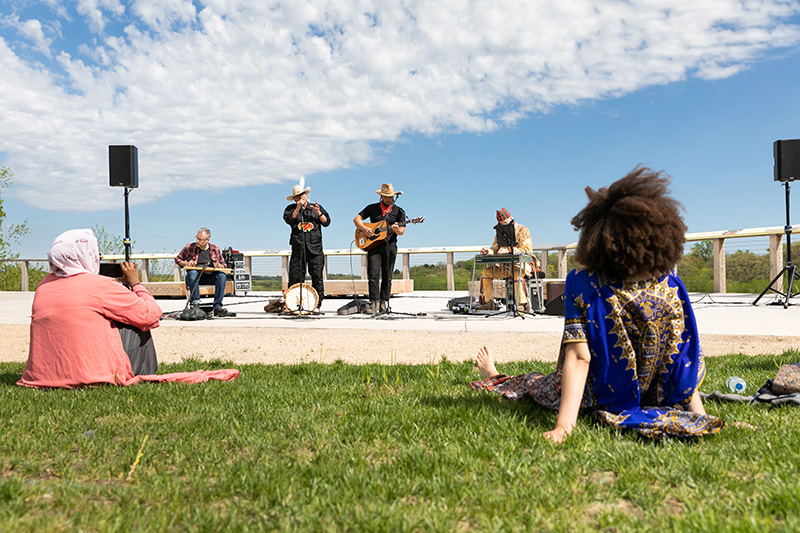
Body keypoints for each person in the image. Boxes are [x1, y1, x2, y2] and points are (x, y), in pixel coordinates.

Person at [470, 167, 725, 442]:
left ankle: (495, 376)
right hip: (657, 394)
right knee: (540, 383)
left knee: (535, 385)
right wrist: (699, 417)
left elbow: (580, 358)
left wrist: (564, 427)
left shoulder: (583, 283)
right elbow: (682, 360)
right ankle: (494, 374)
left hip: (595, 393)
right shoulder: (672, 286)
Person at [18, 229, 162, 388]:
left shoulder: (43, 286)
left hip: (43, 377)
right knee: (138, 320)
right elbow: (151, 315)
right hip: (91, 376)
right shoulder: (100, 285)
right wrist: (135, 283)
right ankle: (142, 371)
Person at [353, 183, 406, 314]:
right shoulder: (372, 208)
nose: (389, 199)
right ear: (381, 196)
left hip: (390, 246)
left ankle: (384, 302)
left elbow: (402, 231)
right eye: (387, 197)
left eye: (391, 197)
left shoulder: (399, 211)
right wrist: (365, 229)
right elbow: (356, 219)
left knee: (387, 276)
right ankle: (373, 303)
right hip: (374, 246)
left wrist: (396, 229)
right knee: (373, 275)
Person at [477, 208, 539, 311]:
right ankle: (488, 303)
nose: (503, 225)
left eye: (505, 222)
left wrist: (509, 250)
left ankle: (521, 305)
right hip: (505, 267)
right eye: (501, 223)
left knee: (515, 273)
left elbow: (526, 249)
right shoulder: (499, 232)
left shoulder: (522, 230)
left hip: (523, 266)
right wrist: (488, 251)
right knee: (486, 272)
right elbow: (495, 248)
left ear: (510, 218)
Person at [283, 181, 330, 310]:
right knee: (296, 277)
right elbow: (290, 220)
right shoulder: (290, 209)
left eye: (302, 195)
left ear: (306, 195)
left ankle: (316, 305)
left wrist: (319, 213)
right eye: (298, 196)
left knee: (317, 277)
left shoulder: (316, 207)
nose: (301, 198)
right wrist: (298, 208)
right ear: (295, 198)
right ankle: (294, 304)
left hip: (315, 249)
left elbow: (327, 222)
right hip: (298, 249)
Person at [175, 227, 230, 317]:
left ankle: (217, 307)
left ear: (207, 240)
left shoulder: (215, 248)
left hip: (210, 277)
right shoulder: (189, 247)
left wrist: (219, 266)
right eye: (197, 238)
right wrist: (187, 263)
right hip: (195, 277)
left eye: (201, 240)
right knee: (192, 273)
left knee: (222, 276)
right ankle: (196, 305)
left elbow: (224, 265)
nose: (198, 241)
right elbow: (178, 259)